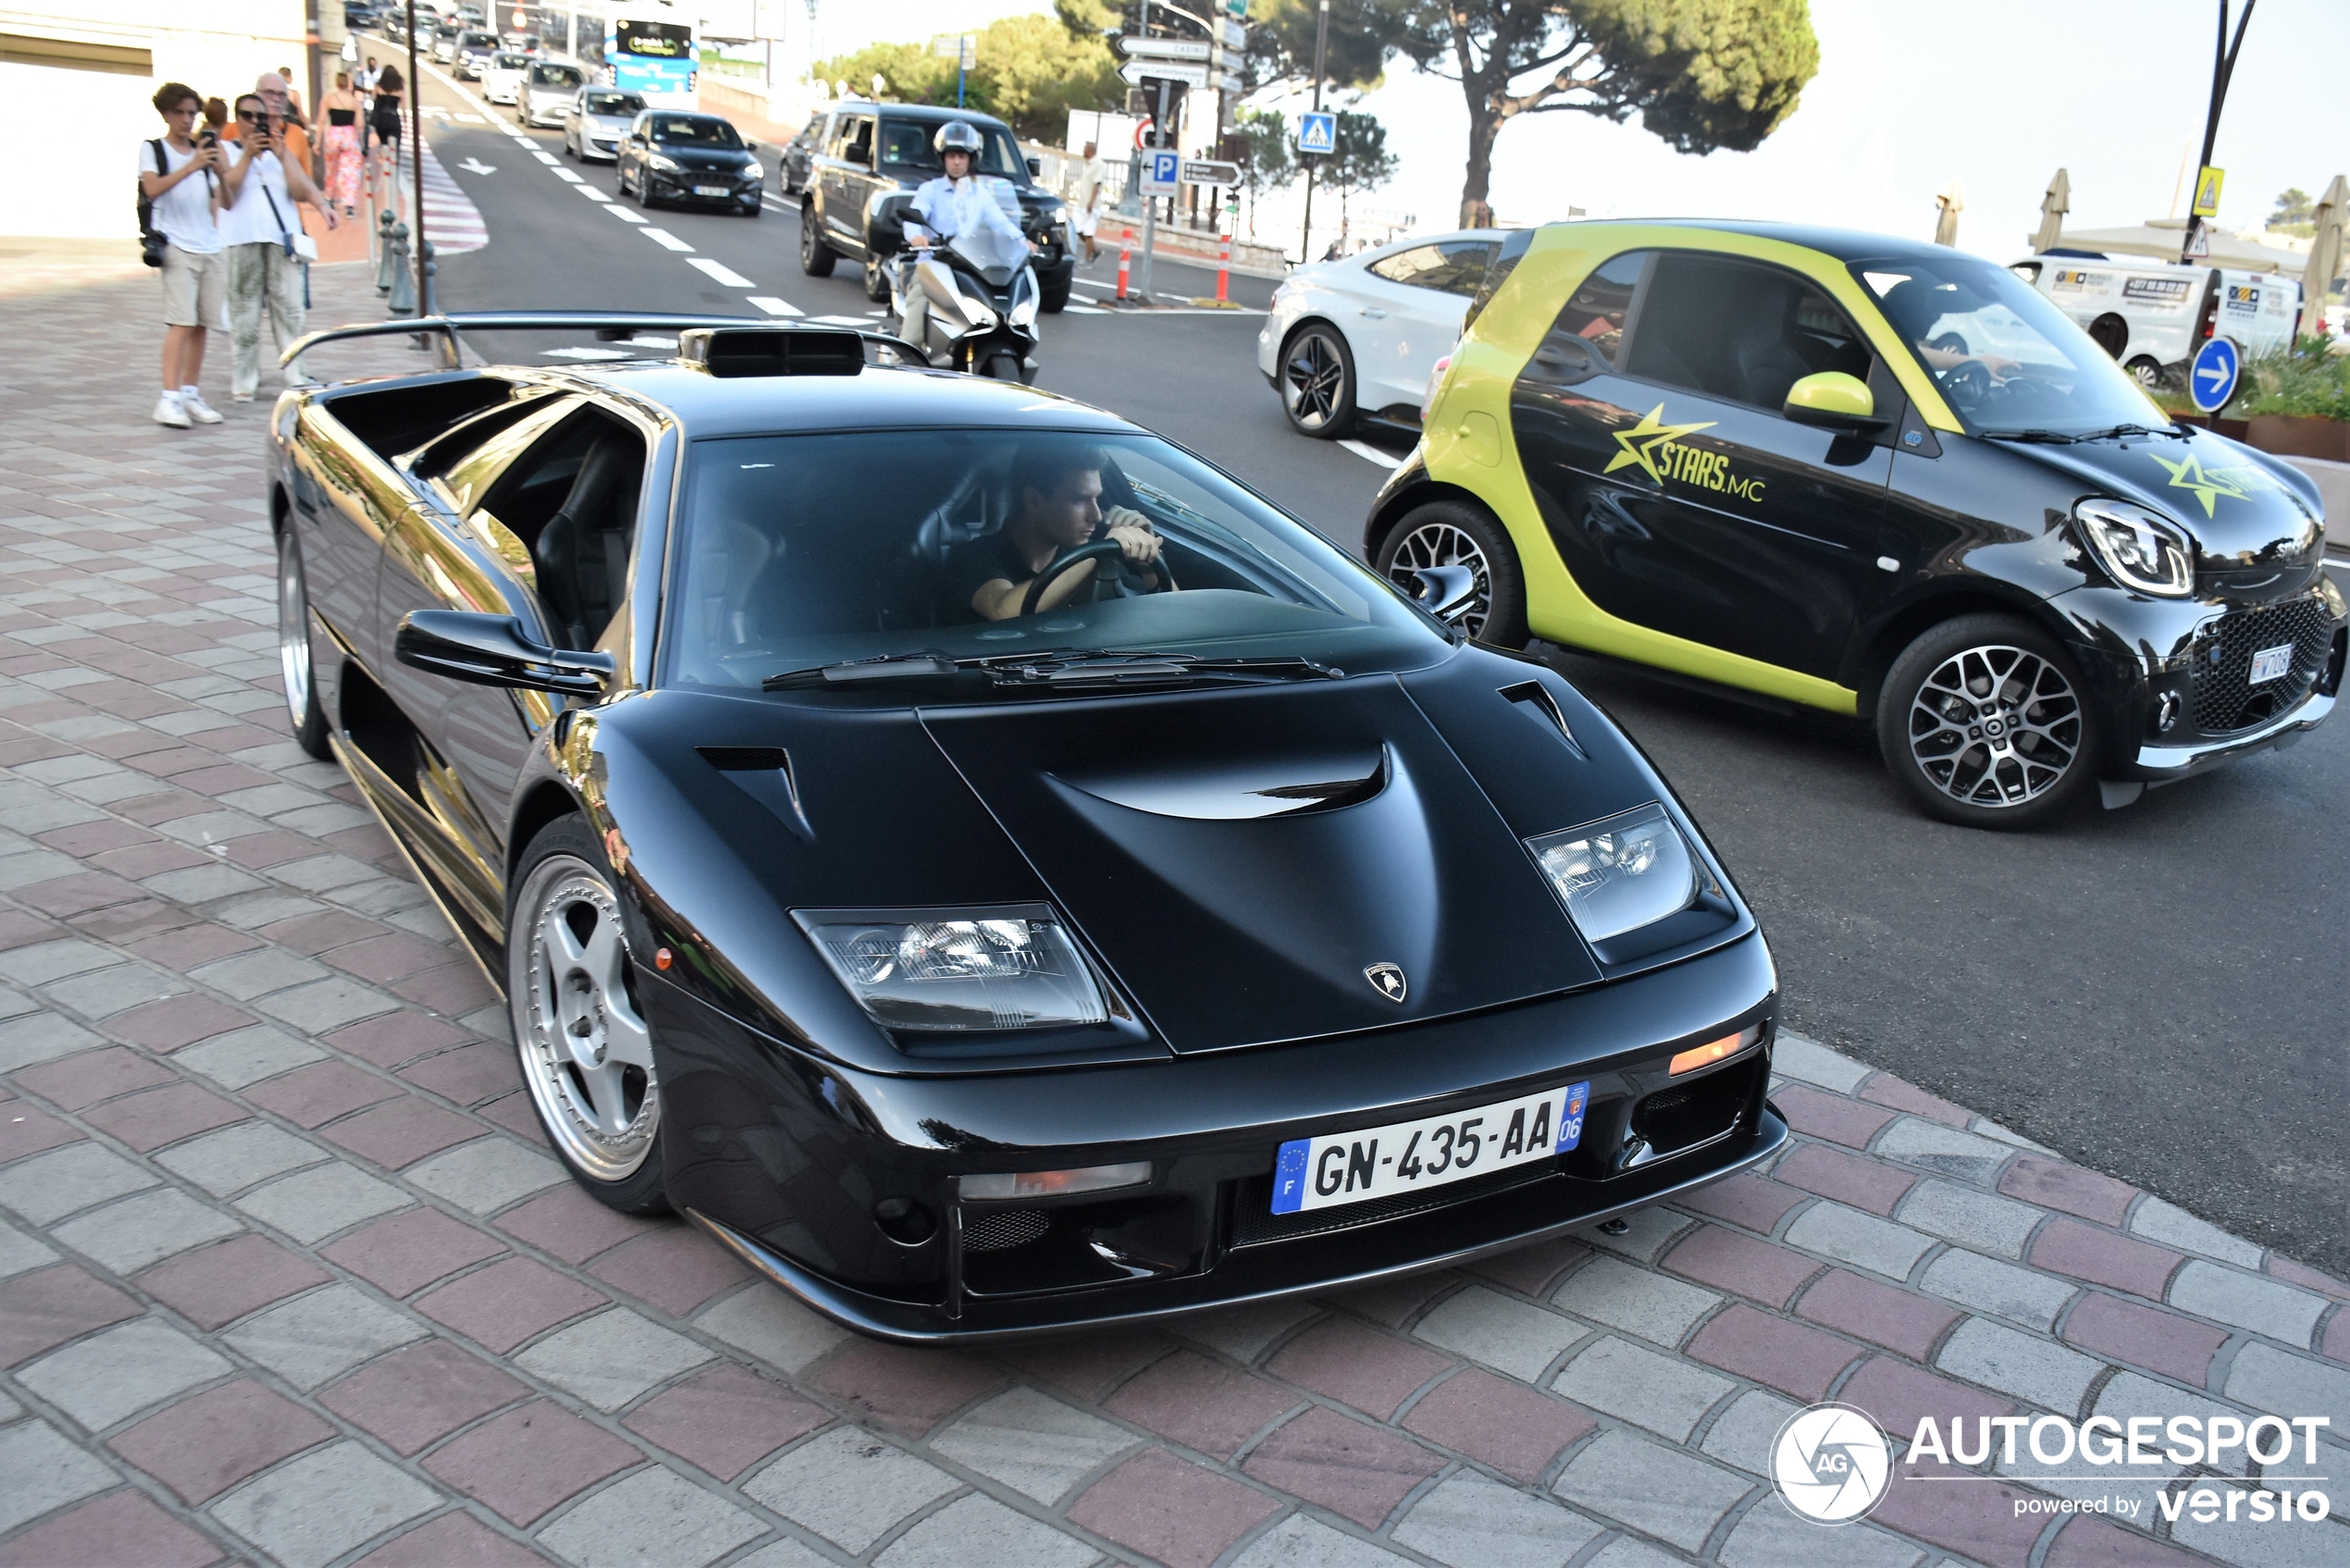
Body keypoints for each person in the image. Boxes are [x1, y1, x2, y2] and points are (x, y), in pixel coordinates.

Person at [943, 443, 1171, 622]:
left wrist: (1149, 563)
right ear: (1033, 501)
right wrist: (1094, 556)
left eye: (1097, 499)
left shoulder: (1081, 546)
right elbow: (1005, 610)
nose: (1096, 515)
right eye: (1079, 500)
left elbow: (1172, 615)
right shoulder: (972, 557)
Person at [218, 87, 339, 401]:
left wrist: (282, 154)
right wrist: (247, 153)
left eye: (262, 117)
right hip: (242, 239)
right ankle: (244, 381)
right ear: (237, 119)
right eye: (248, 116)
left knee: (290, 310)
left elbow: (301, 189)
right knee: (243, 313)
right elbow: (227, 193)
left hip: (281, 241)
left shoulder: (280, 153)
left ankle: (295, 374)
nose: (255, 122)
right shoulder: (226, 150)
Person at [897, 120, 1031, 356]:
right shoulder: (931, 190)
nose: (957, 161)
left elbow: (1000, 221)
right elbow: (914, 217)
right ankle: (895, 370)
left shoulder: (980, 194)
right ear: (943, 158)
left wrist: (1022, 241)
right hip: (934, 267)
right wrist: (916, 237)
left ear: (971, 159)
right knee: (911, 338)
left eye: (962, 156)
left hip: (970, 267)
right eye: (951, 156)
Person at [140, 81, 229, 428]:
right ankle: (169, 397)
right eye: (180, 112)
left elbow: (223, 200)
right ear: (165, 113)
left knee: (203, 324)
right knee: (181, 322)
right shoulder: (154, 150)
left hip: (208, 244)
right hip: (176, 244)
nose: (187, 120)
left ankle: (190, 393)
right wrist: (192, 164)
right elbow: (153, 188)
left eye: (192, 113)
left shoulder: (203, 152)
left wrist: (220, 171)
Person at [321, 70, 363, 216]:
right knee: (350, 171)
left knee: (331, 168)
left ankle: (329, 197)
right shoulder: (354, 101)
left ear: (336, 83)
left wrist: (316, 141)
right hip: (349, 135)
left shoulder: (328, 98)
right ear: (348, 84)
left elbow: (321, 120)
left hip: (333, 134)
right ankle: (349, 204)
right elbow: (360, 124)